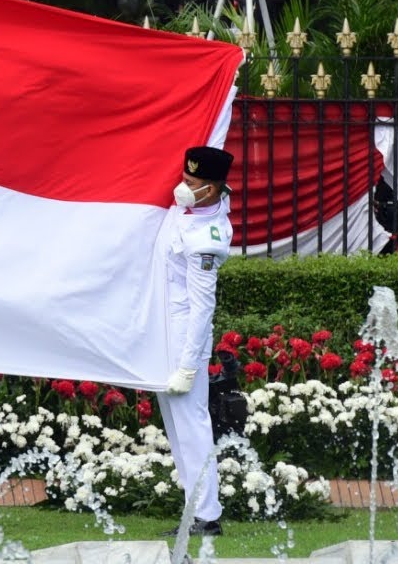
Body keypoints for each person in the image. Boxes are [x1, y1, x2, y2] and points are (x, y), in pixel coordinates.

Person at [156, 146, 234, 537]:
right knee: (177, 425)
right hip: (165, 331)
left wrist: (189, 364)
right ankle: (194, 507)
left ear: (212, 188)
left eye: (192, 184)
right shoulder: (189, 210)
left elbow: (203, 308)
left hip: (186, 336)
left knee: (192, 424)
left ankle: (207, 514)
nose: (183, 188)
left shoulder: (209, 234)